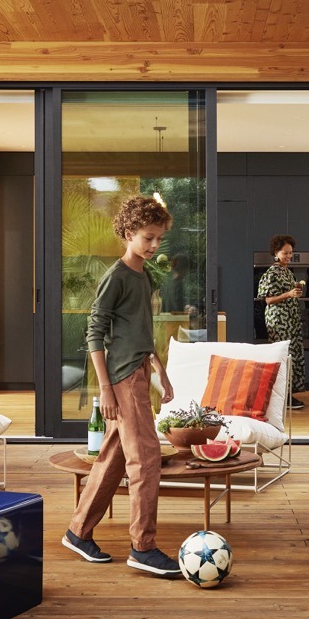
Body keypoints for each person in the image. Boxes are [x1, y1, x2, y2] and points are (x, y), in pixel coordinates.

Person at [62, 195, 182, 576]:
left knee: (114, 455)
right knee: (146, 460)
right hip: (122, 379)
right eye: (148, 238)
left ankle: (79, 531)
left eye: (159, 239)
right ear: (129, 234)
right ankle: (142, 547)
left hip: (140, 373)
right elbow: (94, 333)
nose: (154, 245)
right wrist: (106, 389)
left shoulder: (143, 276)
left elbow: (142, 334)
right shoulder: (116, 276)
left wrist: (161, 372)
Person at [257, 234, 306, 409]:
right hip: (279, 320)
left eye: (290, 253)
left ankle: (287, 395)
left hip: (290, 319)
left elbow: (289, 294)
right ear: (276, 253)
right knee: (282, 356)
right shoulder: (272, 273)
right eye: (285, 253)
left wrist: (295, 294)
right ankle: (281, 398)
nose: (288, 256)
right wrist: (289, 294)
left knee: (290, 355)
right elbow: (268, 300)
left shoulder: (287, 272)